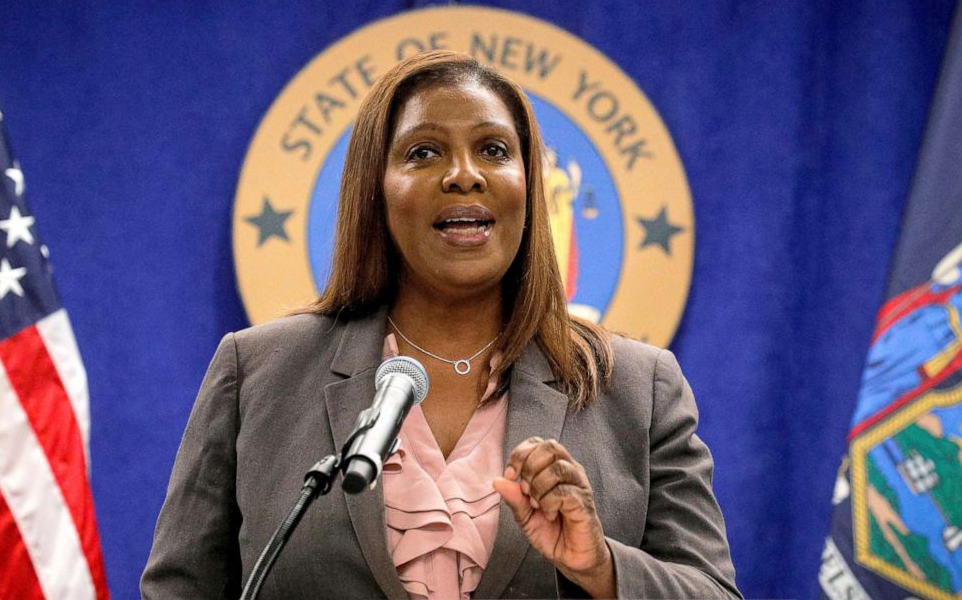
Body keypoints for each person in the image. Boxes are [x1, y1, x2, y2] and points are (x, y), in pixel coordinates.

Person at [141, 50, 740, 599]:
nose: (464, 175)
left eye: (495, 151)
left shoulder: (636, 385)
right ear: (374, 189)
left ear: (530, 187)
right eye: (424, 153)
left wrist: (601, 568)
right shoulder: (257, 372)